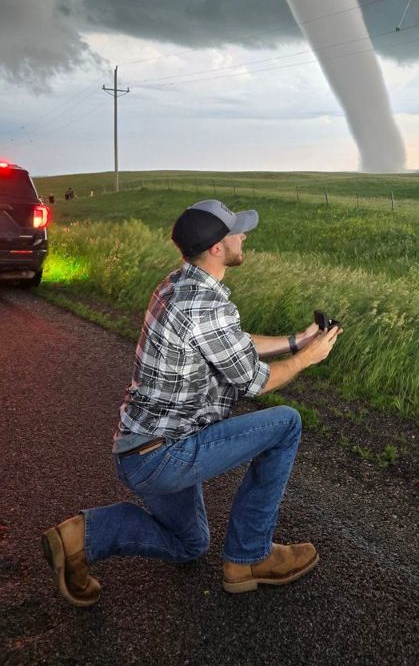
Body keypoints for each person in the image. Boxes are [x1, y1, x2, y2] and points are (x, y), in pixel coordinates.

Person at [41, 199, 341, 607]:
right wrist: (309, 357)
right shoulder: (205, 305)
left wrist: (295, 341)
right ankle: (249, 557)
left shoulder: (178, 284)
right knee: (286, 423)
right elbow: (257, 380)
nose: (243, 236)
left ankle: (81, 537)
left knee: (190, 543)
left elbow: (230, 343)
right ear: (217, 248)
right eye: (236, 231)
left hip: (138, 449)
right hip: (165, 456)